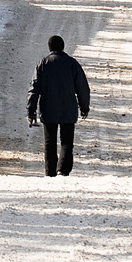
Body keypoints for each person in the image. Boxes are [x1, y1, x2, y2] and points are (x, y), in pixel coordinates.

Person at [26, 34, 91, 177]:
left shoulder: (43, 64)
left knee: (50, 143)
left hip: (48, 109)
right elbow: (83, 88)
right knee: (67, 142)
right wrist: (84, 107)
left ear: (49, 48)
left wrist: (31, 110)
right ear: (63, 47)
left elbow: (34, 88)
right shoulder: (72, 64)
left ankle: (50, 172)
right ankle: (63, 169)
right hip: (68, 109)